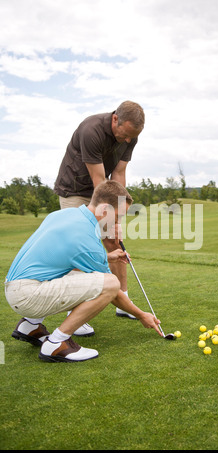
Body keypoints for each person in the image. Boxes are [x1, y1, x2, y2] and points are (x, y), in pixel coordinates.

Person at [5, 180, 162, 363]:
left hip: (15, 287)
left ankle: (30, 325)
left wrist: (108, 257)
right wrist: (142, 315)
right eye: (118, 216)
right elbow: (114, 293)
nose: (118, 222)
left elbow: (68, 256)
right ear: (104, 211)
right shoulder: (87, 239)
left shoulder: (65, 214)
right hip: (28, 295)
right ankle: (57, 343)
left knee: (80, 272)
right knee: (111, 283)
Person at [54, 101, 145, 334]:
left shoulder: (130, 136)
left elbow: (119, 173)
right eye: (125, 134)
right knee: (78, 247)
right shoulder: (91, 130)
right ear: (115, 119)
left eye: (131, 138)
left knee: (114, 241)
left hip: (102, 190)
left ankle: (123, 299)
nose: (127, 141)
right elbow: (98, 180)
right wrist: (110, 218)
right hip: (75, 191)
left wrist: (118, 214)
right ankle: (74, 312)